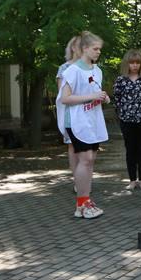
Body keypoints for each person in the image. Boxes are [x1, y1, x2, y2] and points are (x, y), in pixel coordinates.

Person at [59, 32, 110, 219]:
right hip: (76, 121)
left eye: (100, 49)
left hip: (92, 122)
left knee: (90, 160)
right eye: (95, 49)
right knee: (85, 159)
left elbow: (94, 91)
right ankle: (81, 202)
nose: (98, 52)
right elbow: (65, 98)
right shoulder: (72, 71)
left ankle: (85, 200)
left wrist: (102, 96)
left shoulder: (97, 71)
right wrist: (92, 97)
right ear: (85, 48)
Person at [113, 49, 141, 190]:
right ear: (127, 64)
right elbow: (116, 98)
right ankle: (132, 180)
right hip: (126, 120)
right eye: (132, 63)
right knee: (130, 149)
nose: (135, 65)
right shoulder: (121, 80)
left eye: (137, 62)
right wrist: (122, 111)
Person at [56, 36, 81, 181]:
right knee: (72, 146)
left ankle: (85, 178)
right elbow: (62, 94)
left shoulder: (90, 67)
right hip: (71, 113)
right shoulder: (64, 68)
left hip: (86, 112)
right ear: (72, 48)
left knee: (87, 147)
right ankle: (77, 179)